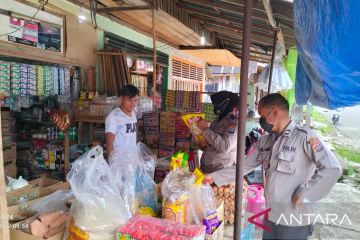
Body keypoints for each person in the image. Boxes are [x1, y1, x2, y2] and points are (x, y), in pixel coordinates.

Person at [203, 93, 342, 240]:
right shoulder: (265, 141)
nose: (262, 120)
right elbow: (243, 166)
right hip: (271, 214)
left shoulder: (305, 138)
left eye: (263, 115)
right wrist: (214, 177)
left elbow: (332, 169)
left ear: (275, 112)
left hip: (293, 218)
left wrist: (305, 194)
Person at [196, 91, 239, 174]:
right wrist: (204, 144)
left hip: (220, 171)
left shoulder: (234, 122)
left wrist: (205, 129)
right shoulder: (218, 120)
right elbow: (213, 141)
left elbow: (225, 147)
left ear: (226, 103)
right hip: (207, 168)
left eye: (216, 104)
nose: (214, 107)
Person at [105, 85, 140, 156]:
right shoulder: (113, 117)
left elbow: (132, 136)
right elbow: (109, 144)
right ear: (121, 99)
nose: (133, 103)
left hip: (131, 160)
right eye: (130, 100)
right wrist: (112, 163)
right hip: (118, 162)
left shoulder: (133, 114)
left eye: (135, 100)